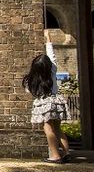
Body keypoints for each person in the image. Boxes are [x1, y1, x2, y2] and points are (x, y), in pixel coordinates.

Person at [22, 30, 70, 163]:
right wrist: (48, 38)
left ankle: (55, 155)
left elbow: (28, 90)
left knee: (48, 128)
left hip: (44, 102)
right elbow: (52, 55)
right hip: (57, 99)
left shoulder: (32, 79)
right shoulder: (52, 69)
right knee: (58, 129)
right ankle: (66, 152)